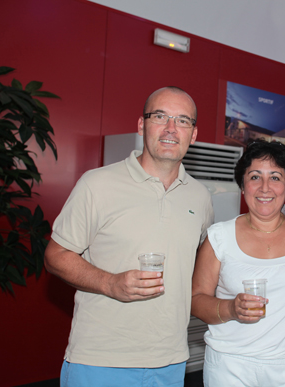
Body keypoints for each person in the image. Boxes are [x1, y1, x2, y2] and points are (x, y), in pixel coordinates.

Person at [44, 87, 214, 387]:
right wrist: (110, 283)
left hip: (171, 361)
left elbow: (197, 266)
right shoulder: (97, 184)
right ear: (141, 125)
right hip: (101, 361)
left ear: (194, 134)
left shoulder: (200, 198)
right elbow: (55, 256)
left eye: (183, 120)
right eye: (160, 116)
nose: (171, 128)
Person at [191, 140, 285, 387]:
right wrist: (231, 309)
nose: (265, 188)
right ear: (243, 185)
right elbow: (196, 300)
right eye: (255, 176)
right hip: (230, 366)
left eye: (275, 177)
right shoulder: (219, 237)